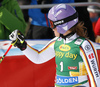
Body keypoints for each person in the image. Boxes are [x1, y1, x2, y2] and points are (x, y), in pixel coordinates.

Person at [9, 4, 100, 87]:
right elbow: (38, 58)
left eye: (52, 24)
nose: (51, 27)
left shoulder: (84, 45)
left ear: (63, 25)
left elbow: (95, 76)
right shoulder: (57, 42)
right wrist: (22, 45)